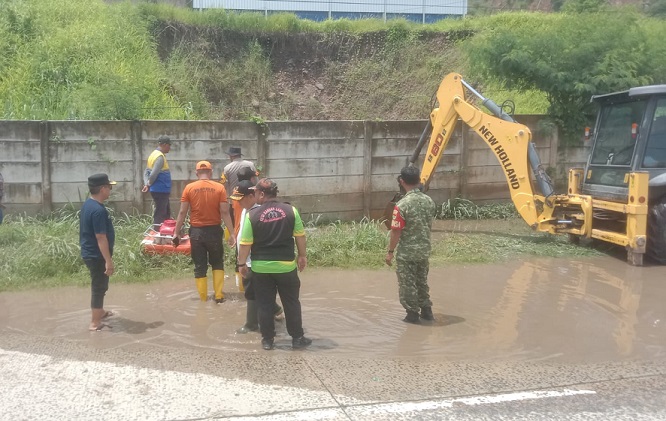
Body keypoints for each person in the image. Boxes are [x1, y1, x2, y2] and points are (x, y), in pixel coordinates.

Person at [238, 178, 311, 351]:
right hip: (286, 267)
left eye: (256, 192)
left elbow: (245, 243)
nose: (255, 194)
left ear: (262, 194)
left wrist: (241, 263)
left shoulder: (252, 215)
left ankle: (268, 340)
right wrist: (302, 256)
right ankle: (297, 338)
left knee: (264, 304)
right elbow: (300, 236)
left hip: (261, 269)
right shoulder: (291, 210)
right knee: (291, 303)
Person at [174, 161, 235, 303]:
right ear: (211, 172)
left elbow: (182, 212)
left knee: (199, 265)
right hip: (214, 231)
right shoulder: (219, 188)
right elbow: (225, 212)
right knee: (217, 262)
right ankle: (218, 296)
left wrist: (176, 232)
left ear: (196, 173)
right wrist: (232, 233)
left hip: (196, 233)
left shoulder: (189, 188)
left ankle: (203, 299)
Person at [385, 165, 437, 324]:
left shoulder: (402, 205)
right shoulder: (429, 201)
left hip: (407, 254)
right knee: (421, 282)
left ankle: (412, 315)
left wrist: (390, 252)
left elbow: (396, 231)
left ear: (402, 181)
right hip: (424, 251)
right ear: (419, 180)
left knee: (408, 285)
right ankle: (427, 312)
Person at [231, 180, 283, 334]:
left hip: (254, 261)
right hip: (247, 260)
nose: (238, 202)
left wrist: (244, 262)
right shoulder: (246, 210)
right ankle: (275, 310)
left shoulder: (258, 213)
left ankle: (251, 324)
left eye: (240, 198)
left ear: (251, 196)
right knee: (256, 291)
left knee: (252, 292)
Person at [80, 173, 116, 331]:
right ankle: (95, 323)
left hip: (91, 253)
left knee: (101, 284)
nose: (110, 190)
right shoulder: (98, 211)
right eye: (109, 187)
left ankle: (100, 312)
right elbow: (100, 237)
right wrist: (108, 261)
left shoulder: (89, 205)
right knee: (99, 287)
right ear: (102, 189)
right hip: (97, 255)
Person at [142, 135, 172, 226]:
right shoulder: (159, 157)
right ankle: (158, 230)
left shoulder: (153, 154)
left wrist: (146, 184)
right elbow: (153, 174)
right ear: (164, 144)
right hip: (161, 189)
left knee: (165, 211)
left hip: (159, 189)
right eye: (169, 145)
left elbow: (146, 171)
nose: (170, 148)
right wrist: (149, 184)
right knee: (161, 212)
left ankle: (166, 230)